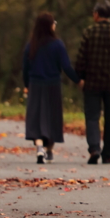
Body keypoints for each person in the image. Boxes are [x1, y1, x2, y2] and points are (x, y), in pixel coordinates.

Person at [23, 12, 81, 164]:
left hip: (35, 84)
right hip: (53, 85)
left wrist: (26, 85)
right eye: (53, 22)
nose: (55, 24)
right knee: (52, 117)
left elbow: (25, 67)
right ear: (49, 26)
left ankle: (39, 148)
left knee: (35, 118)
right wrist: (78, 80)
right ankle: (49, 149)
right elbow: (66, 66)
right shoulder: (57, 44)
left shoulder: (31, 45)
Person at [75, 0, 110, 164]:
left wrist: (80, 77)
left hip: (92, 82)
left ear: (97, 14)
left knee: (92, 116)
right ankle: (108, 153)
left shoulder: (89, 33)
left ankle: (94, 148)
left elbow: (81, 58)